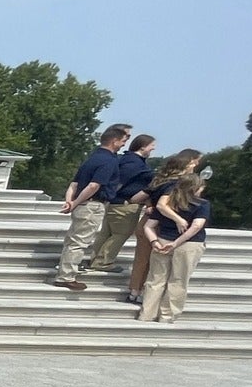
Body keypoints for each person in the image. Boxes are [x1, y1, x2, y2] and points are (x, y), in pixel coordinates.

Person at [49, 123, 131, 291]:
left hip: (82, 204)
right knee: (78, 242)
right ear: (114, 141)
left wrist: (70, 201)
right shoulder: (109, 161)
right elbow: (94, 185)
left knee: (72, 240)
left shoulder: (92, 158)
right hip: (92, 204)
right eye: (123, 140)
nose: (124, 144)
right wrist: (76, 202)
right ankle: (66, 276)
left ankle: (65, 272)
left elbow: (74, 183)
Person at [124, 148, 201, 307]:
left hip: (145, 223)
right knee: (156, 263)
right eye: (193, 162)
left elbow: (135, 198)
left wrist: (148, 204)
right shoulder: (176, 184)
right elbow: (162, 205)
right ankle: (145, 294)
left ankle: (134, 292)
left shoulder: (158, 180)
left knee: (141, 260)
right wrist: (178, 219)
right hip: (159, 225)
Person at [137, 173, 210, 324]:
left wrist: (154, 242)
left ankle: (147, 313)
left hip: (162, 241)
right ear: (195, 188)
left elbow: (148, 226)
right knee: (178, 281)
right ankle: (167, 316)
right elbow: (197, 225)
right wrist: (177, 243)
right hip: (189, 244)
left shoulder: (168, 204)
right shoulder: (201, 204)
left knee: (155, 279)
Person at [89, 131, 156, 275]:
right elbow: (120, 182)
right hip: (124, 204)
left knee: (106, 233)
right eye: (151, 145)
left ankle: (94, 259)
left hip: (115, 203)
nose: (153, 148)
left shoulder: (126, 159)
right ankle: (103, 261)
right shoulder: (134, 164)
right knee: (120, 234)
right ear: (143, 146)